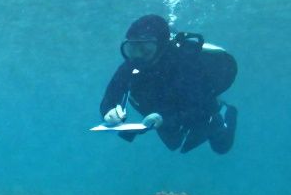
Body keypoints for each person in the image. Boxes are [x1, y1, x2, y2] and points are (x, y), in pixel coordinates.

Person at [100, 14, 238, 154]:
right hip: (162, 111)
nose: (138, 56)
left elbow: (197, 107)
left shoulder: (185, 62)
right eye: (133, 48)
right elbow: (111, 95)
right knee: (173, 143)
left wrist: (164, 119)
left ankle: (223, 110)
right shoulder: (132, 64)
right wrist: (108, 112)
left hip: (196, 108)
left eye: (145, 49)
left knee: (221, 146)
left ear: (161, 46)